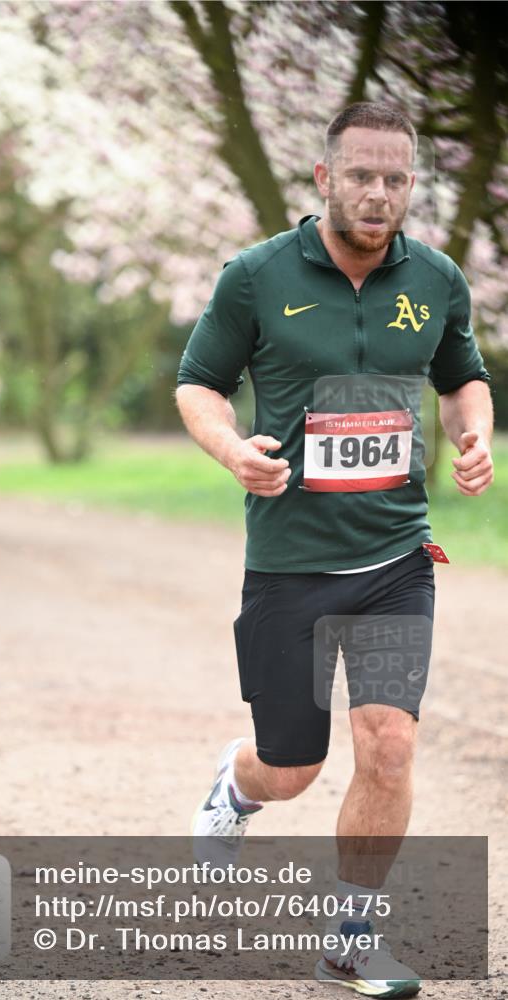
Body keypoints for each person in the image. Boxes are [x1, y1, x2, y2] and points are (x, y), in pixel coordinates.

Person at [175, 102, 493, 999]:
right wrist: (233, 448)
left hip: (395, 561)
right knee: (292, 769)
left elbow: (461, 373)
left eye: (395, 178)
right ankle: (233, 789)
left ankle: (349, 942)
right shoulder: (255, 276)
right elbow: (197, 384)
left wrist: (474, 432)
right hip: (289, 564)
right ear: (324, 178)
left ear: (410, 186)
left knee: (388, 746)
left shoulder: (432, 279)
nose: (377, 192)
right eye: (360, 174)